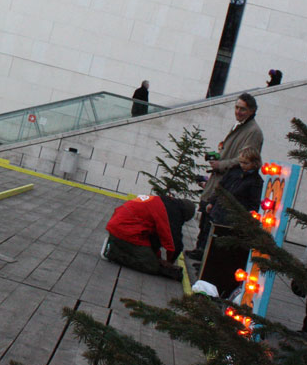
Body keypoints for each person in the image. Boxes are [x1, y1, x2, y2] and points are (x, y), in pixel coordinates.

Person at [189, 92, 263, 257]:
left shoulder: (253, 132)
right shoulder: (240, 126)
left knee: (212, 220)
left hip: (228, 181)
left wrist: (222, 164)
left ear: (251, 111)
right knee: (206, 216)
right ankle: (200, 250)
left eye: (242, 109)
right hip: (221, 178)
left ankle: (203, 253)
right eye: (236, 107)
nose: (238, 112)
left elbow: (245, 158)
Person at [103, 194, 195, 279]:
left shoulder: (165, 202)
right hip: (125, 231)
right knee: (152, 266)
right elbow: (174, 244)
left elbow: (155, 238)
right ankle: (113, 252)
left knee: (152, 258)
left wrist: (158, 257)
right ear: (185, 215)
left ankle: (116, 244)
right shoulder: (173, 213)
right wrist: (169, 262)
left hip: (121, 225)